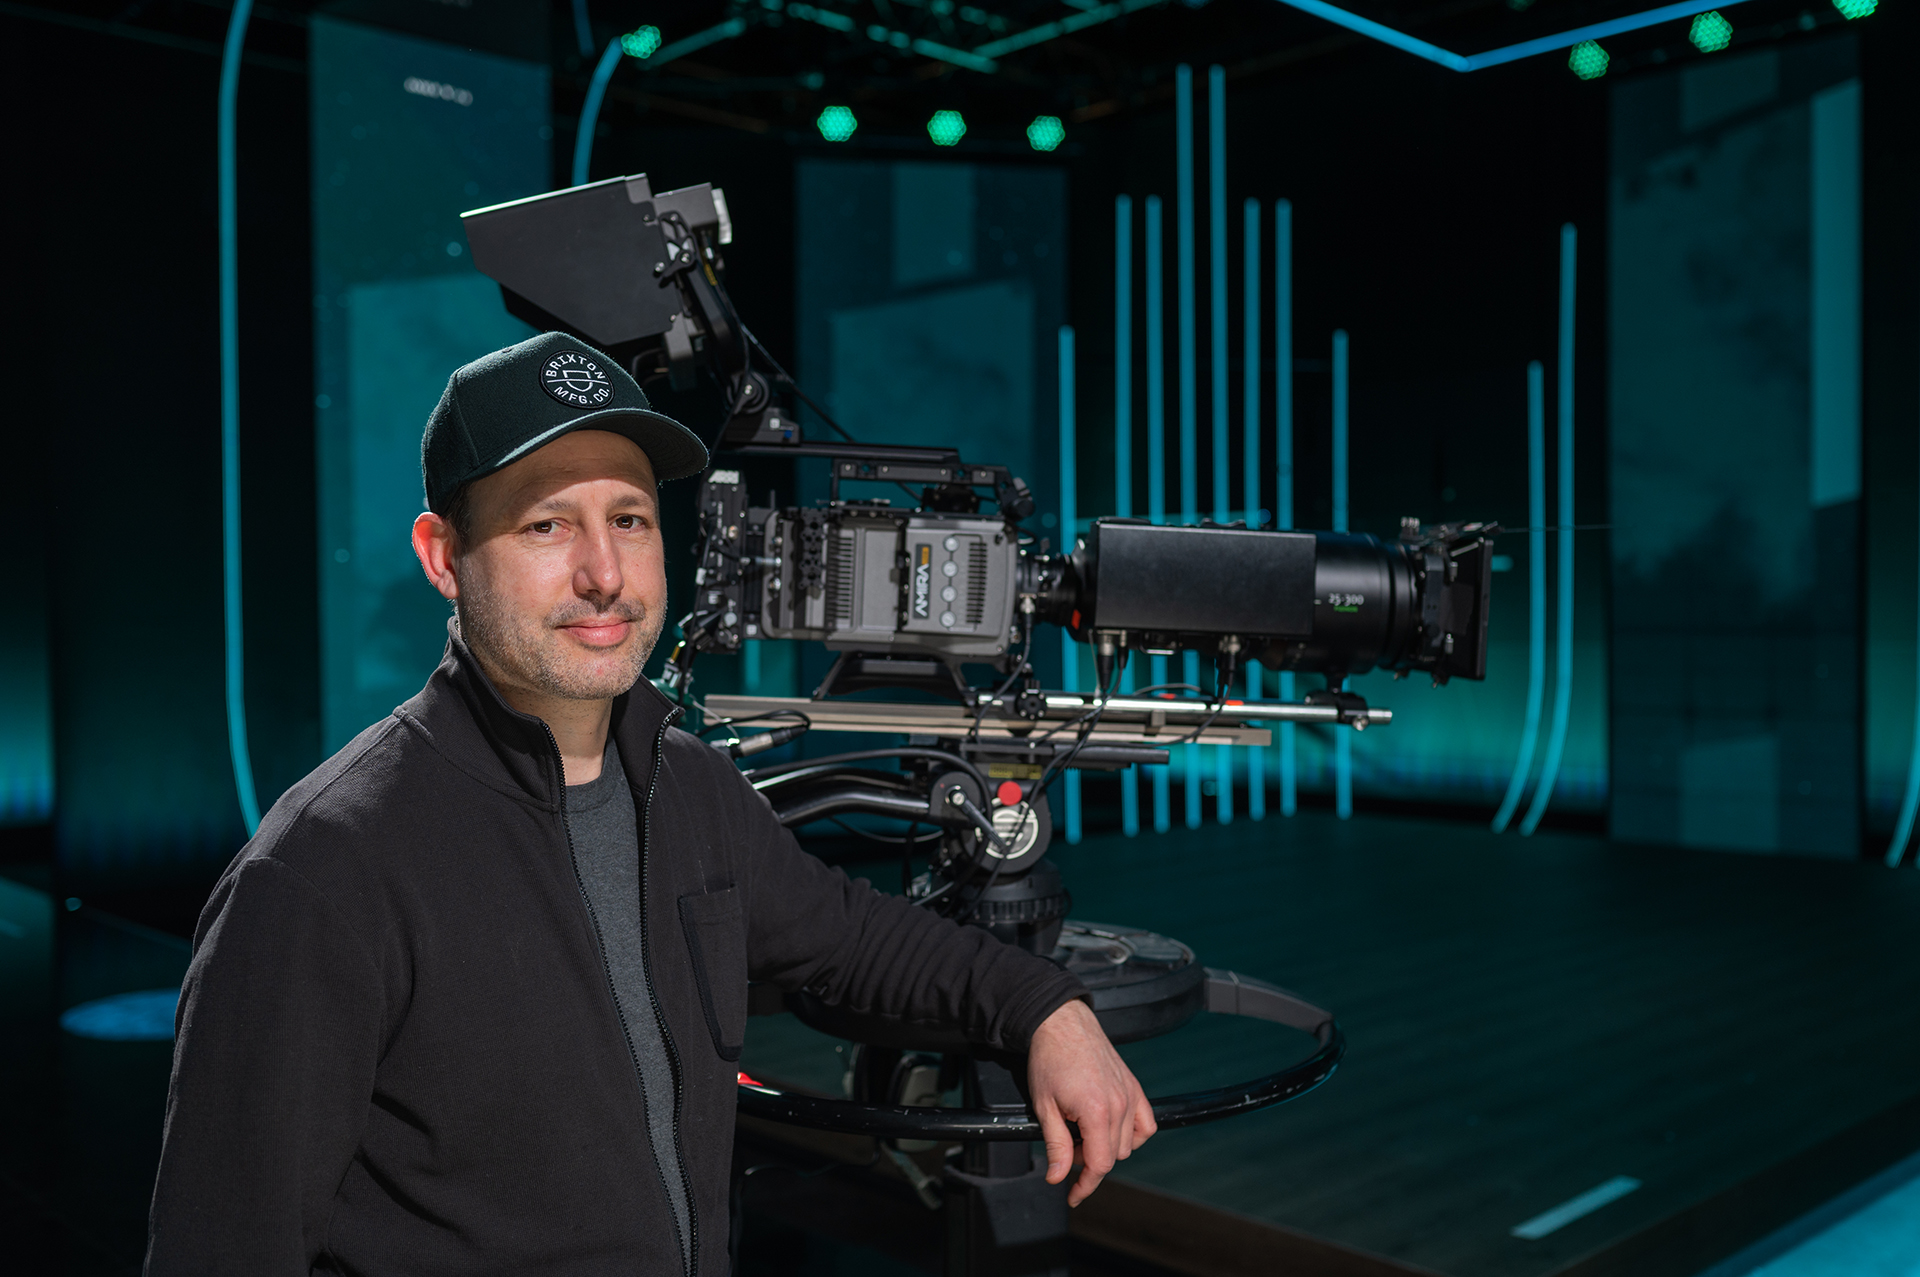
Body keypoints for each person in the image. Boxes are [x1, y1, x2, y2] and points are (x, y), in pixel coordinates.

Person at [146, 332, 1156, 1276]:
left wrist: (1044, 1006)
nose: (604, 573)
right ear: (443, 555)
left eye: (628, 518)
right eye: (547, 525)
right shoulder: (323, 871)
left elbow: (851, 940)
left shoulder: (689, 786)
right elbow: (222, 1249)